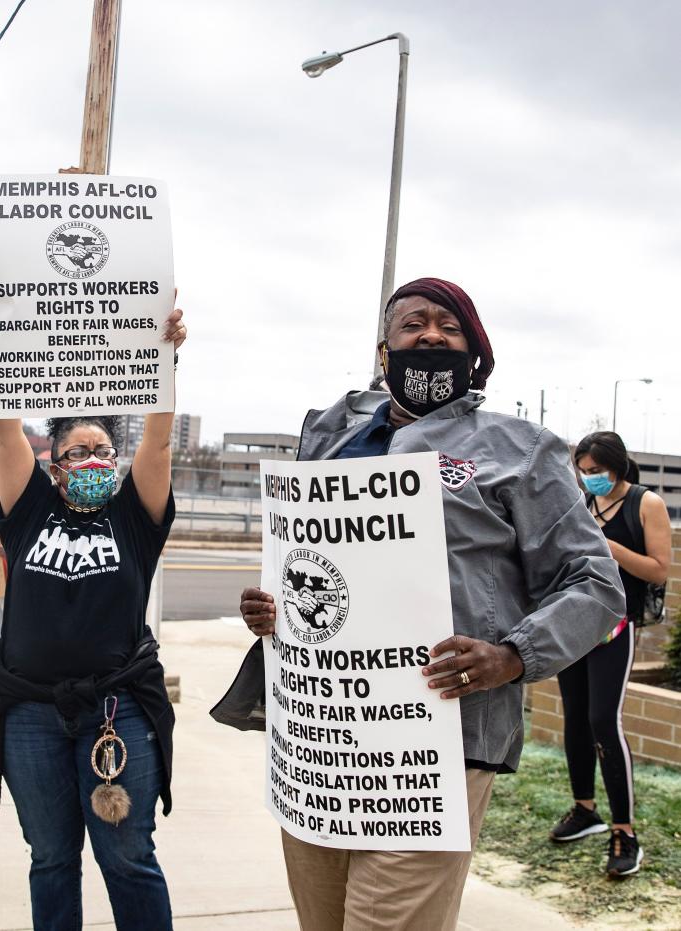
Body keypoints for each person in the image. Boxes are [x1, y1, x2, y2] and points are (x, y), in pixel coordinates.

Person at [217, 277, 625, 930]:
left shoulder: (523, 449)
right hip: (322, 745)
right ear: (385, 351)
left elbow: (597, 587)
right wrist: (275, 607)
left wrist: (513, 654)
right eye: (412, 323)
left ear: (475, 354)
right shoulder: (331, 437)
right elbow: (308, 562)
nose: (429, 334)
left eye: (448, 325)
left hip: (440, 745)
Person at [0, 295, 186, 931]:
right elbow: (5, 429)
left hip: (116, 711)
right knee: (52, 857)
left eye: (101, 451)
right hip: (30, 714)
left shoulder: (133, 517)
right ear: (53, 467)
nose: (92, 460)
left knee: (128, 856)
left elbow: (160, 439)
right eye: (77, 453)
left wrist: (164, 355)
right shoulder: (28, 509)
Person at [550, 431, 670, 876]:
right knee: (575, 717)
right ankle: (585, 810)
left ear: (616, 467)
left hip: (617, 626)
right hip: (574, 620)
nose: (588, 479)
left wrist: (609, 546)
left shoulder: (646, 503)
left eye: (595, 472)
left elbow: (658, 570)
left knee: (603, 719)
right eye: (582, 472)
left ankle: (626, 832)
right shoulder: (584, 504)